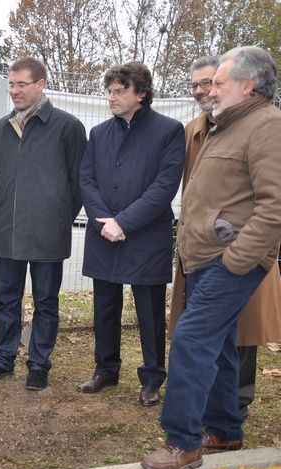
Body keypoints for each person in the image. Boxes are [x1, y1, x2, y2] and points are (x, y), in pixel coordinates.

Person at [143, 47, 281, 469]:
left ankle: (182, 443)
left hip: (229, 261)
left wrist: (238, 261)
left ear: (248, 85)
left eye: (219, 82)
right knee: (219, 345)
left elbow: (274, 207)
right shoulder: (227, 126)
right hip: (202, 258)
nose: (211, 90)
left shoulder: (267, 127)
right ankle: (224, 430)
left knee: (189, 340)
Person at [76, 61, 184, 407]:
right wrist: (104, 220)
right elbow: (86, 180)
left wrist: (124, 222)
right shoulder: (99, 133)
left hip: (144, 236)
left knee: (150, 310)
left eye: (119, 91)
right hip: (103, 232)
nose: (112, 97)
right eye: (109, 91)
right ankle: (105, 369)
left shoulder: (169, 131)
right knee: (105, 305)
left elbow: (164, 187)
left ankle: (152, 377)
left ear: (141, 94)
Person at [0, 58, 87, 390]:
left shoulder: (67, 127)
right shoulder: (1, 129)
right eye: (11, 84)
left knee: (46, 302)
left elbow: (79, 182)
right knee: (6, 299)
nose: (14, 91)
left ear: (40, 85)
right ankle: (3, 360)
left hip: (48, 234)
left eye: (21, 84)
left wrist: (56, 218)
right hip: (8, 232)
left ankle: (39, 365)